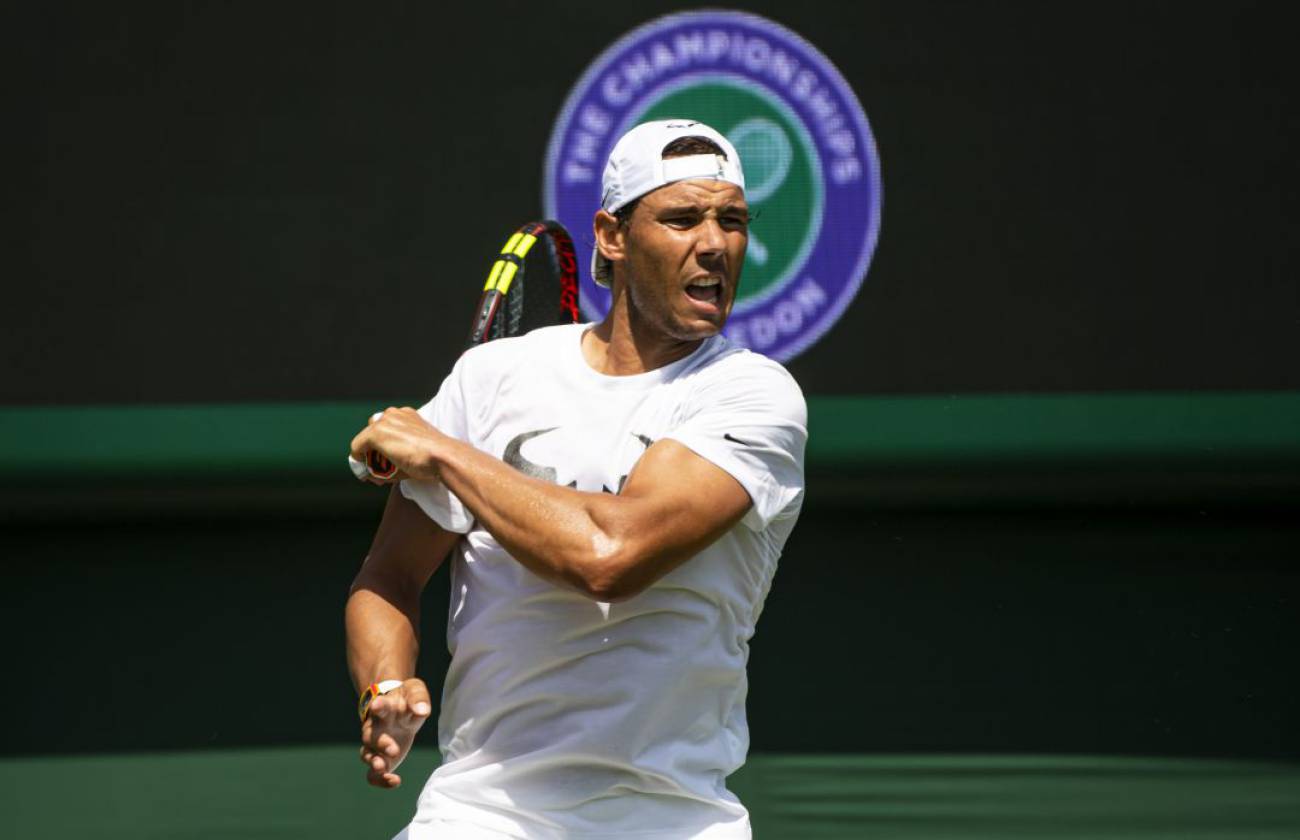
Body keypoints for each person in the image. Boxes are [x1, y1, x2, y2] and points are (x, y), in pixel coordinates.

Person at [346, 119, 807, 840]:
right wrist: (385, 684)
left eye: (733, 221)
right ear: (612, 236)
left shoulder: (754, 397)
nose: (715, 243)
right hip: (477, 819)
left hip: (674, 823)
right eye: (683, 218)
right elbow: (391, 575)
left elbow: (608, 558)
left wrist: (448, 456)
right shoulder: (492, 379)